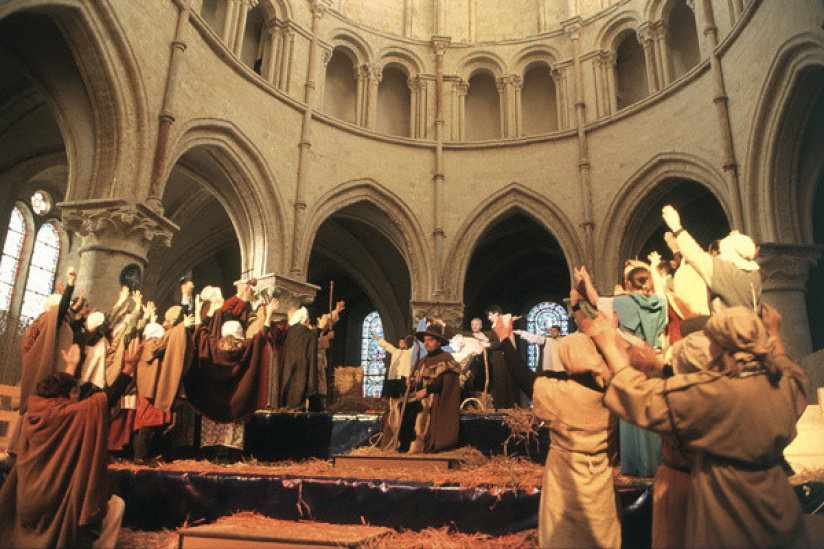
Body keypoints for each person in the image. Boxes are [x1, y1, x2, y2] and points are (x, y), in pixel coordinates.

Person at [584, 305, 809, 548]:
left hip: (732, 509)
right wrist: (774, 333)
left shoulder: (716, 394)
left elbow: (641, 398)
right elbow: (790, 370)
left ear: (719, 346)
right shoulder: (782, 384)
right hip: (780, 507)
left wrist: (608, 345)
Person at [492, 314, 621, 548]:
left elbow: (522, 375)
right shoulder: (612, 390)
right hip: (600, 477)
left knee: (563, 537)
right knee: (600, 533)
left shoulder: (560, 394)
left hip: (565, 477)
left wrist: (505, 339)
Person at [0, 343, 138, 548]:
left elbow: (61, 399)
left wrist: (70, 369)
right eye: (75, 393)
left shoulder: (34, 412)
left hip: (26, 500)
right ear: (71, 393)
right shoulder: (69, 414)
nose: (77, 398)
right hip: (53, 502)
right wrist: (127, 369)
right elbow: (105, 400)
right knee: (115, 506)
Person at [662, 205, 761, 314]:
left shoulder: (725, 272)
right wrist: (738, 241)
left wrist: (677, 228)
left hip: (728, 328)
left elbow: (695, 255)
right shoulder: (754, 275)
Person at [397, 322, 461, 453]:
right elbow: (418, 380)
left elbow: (445, 383)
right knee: (400, 406)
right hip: (420, 395)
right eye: (425, 341)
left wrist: (427, 390)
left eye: (430, 340)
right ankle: (403, 444)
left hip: (435, 396)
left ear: (438, 342)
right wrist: (412, 382)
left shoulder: (446, 359)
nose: (426, 343)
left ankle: (414, 445)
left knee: (414, 409)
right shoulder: (423, 360)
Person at [484, 305, 521, 409]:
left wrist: (488, 345)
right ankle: (502, 407)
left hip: (501, 359)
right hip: (498, 358)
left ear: (496, 314)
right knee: (500, 383)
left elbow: (501, 342)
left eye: (490, 315)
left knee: (503, 383)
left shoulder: (500, 326)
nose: (489, 318)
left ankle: (504, 407)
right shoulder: (496, 326)